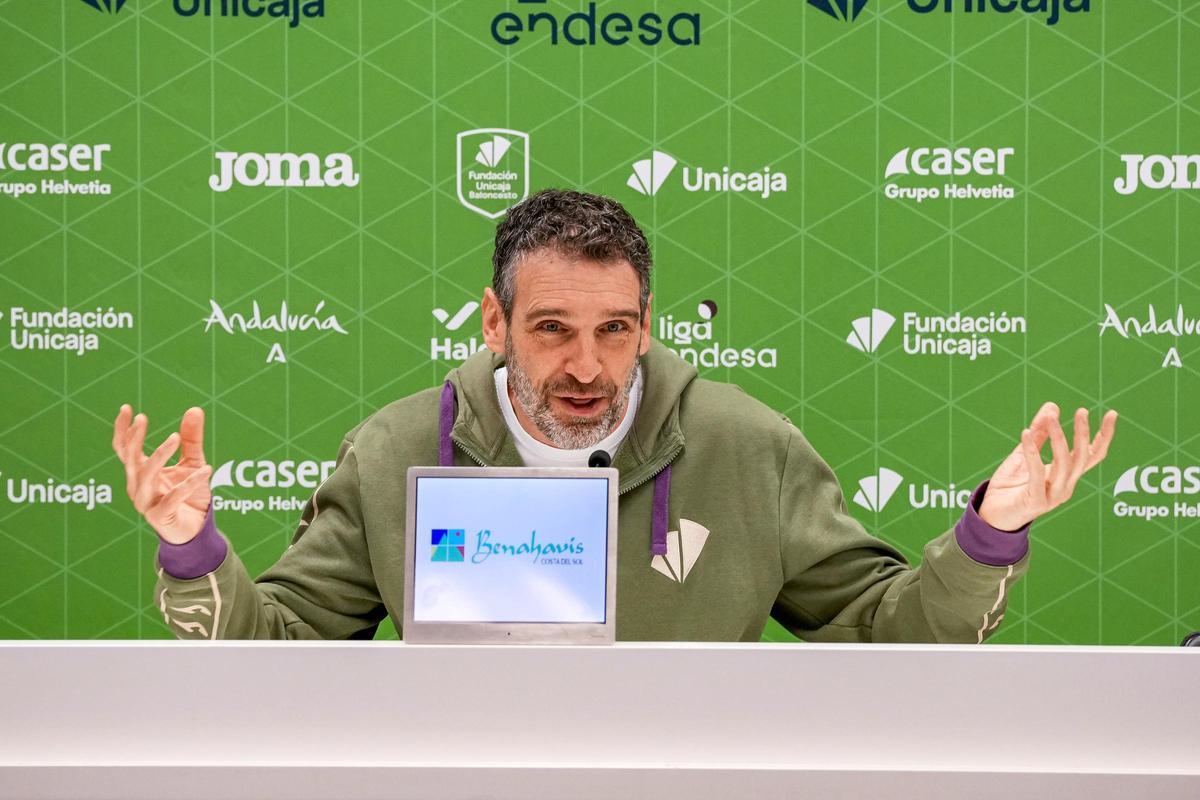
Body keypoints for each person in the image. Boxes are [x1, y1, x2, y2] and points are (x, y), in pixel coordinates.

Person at [112, 189, 1117, 642]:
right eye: (552, 328)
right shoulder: (393, 451)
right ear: (496, 321)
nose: (586, 365)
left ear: (646, 325)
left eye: (617, 329)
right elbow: (279, 653)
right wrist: (193, 547)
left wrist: (992, 530)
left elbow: (885, 633)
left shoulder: (745, 445)